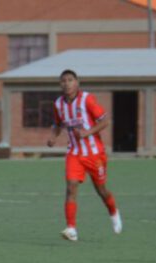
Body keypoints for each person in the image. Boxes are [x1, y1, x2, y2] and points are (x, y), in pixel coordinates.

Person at [46, 69, 122, 242]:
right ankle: (71, 229)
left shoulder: (87, 99)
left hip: (94, 154)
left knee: (101, 190)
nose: (67, 83)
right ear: (60, 84)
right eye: (63, 80)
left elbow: (105, 121)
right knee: (71, 187)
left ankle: (113, 211)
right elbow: (57, 124)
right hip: (74, 152)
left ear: (77, 82)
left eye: (70, 80)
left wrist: (88, 132)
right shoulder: (58, 104)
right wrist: (53, 136)